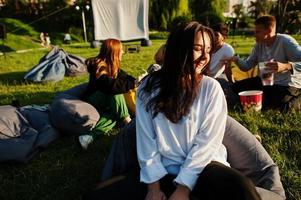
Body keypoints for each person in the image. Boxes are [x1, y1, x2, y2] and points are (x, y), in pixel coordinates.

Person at [84, 21, 261, 200]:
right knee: (97, 196)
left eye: (208, 51)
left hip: (205, 168)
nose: (204, 57)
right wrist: (153, 187)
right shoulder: (149, 87)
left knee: (242, 189)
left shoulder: (211, 88)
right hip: (162, 170)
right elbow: (147, 141)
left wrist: (183, 189)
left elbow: (207, 144)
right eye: (198, 49)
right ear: (178, 49)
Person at [223, 15, 301, 111]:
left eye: (257, 32)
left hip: (287, 85)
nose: (254, 35)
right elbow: (247, 66)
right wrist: (235, 59)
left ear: (268, 31)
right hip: (266, 82)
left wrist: (287, 66)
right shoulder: (259, 45)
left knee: (276, 105)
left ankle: (294, 100)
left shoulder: (286, 42)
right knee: (235, 89)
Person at [78, 38, 137, 150]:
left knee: (114, 115)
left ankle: (89, 137)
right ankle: (129, 124)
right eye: (121, 50)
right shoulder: (99, 66)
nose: (123, 52)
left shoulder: (113, 65)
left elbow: (126, 78)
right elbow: (111, 86)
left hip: (106, 101)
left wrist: (137, 81)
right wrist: (132, 84)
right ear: (113, 52)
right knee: (115, 92)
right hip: (94, 99)